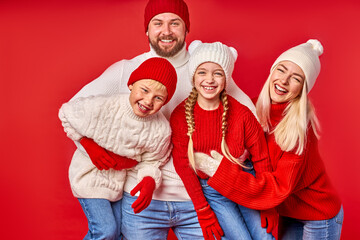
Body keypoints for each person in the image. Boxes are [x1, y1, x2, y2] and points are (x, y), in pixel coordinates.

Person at [67, 0, 256, 238]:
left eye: (174, 23)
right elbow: (73, 109)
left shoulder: (205, 69)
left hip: (197, 199)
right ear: (147, 29)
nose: (166, 31)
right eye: (158, 23)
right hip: (141, 198)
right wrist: (89, 146)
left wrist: (226, 164)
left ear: (186, 28)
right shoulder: (127, 70)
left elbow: (252, 120)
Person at [207, 39, 344, 239]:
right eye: (281, 70)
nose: (284, 80)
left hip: (318, 214)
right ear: (272, 72)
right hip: (287, 210)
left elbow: (278, 187)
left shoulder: (299, 129)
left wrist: (220, 173)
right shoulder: (252, 109)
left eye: (296, 78)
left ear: (302, 90)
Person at [59, 57, 178, 240]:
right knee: (106, 231)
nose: (148, 100)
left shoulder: (160, 129)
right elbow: (66, 112)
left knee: (119, 234)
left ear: (165, 102)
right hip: (89, 177)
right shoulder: (105, 105)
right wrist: (88, 145)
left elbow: (153, 160)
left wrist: (149, 180)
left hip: (117, 185)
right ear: (131, 84)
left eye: (158, 98)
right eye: (144, 90)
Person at [170, 40, 275, 240]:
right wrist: (202, 210)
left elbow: (261, 158)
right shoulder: (180, 115)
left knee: (265, 237)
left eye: (217, 73)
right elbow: (183, 165)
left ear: (226, 79)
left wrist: (267, 202)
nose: (209, 79)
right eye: (202, 72)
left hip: (245, 181)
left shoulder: (242, 114)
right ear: (193, 76)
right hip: (214, 189)